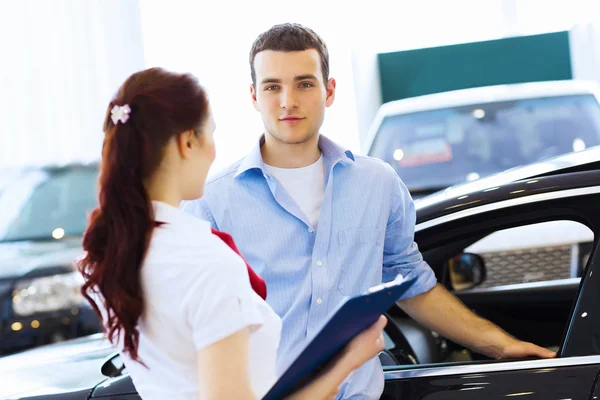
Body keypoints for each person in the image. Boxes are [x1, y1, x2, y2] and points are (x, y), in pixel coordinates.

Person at [181, 23, 556, 400]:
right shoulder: (212, 201)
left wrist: (499, 346)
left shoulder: (377, 183)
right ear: (254, 96)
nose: (288, 101)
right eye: (272, 86)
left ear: (329, 91)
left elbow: (411, 283)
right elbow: (193, 328)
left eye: (305, 83)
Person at [77, 67, 387, 400]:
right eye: (211, 134)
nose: (213, 152)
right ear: (187, 142)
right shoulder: (206, 262)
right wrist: (349, 359)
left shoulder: (112, 255)